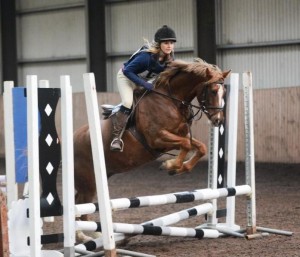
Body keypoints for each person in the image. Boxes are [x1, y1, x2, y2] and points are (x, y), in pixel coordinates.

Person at [110, 25, 177, 152]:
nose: (169, 46)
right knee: (128, 102)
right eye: (166, 43)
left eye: (172, 43)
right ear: (159, 44)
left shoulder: (170, 58)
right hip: (126, 78)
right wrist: (143, 84)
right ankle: (116, 137)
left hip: (144, 80)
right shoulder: (146, 57)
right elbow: (127, 71)